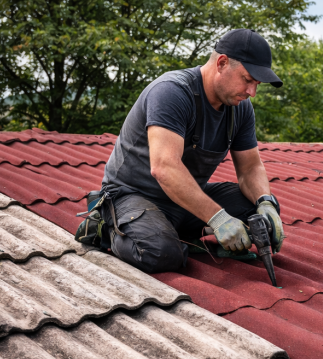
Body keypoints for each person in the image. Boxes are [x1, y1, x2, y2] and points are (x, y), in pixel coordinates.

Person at [98, 29, 285, 273]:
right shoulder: (172, 92)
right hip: (133, 197)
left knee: (261, 215)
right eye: (247, 80)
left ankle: (177, 231)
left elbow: (250, 167)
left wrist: (265, 202)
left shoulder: (240, 108)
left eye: (257, 85)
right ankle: (110, 228)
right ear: (221, 63)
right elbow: (164, 167)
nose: (252, 92)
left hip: (183, 201)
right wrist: (217, 218)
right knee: (161, 253)